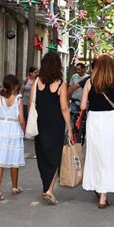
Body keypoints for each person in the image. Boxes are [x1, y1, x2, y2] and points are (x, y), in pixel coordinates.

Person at [80, 54, 114, 208]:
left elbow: (82, 107)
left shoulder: (89, 82)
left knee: (96, 154)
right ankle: (103, 195)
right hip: (111, 121)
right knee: (109, 155)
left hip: (94, 120)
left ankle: (99, 187)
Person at [31, 52, 73, 205]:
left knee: (42, 155)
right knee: (54, 157)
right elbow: (64, 108)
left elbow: (31, 104)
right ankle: (49, 190)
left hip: (40, 123)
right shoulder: (61, 83)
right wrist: (70, 127)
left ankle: (46, 187)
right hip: (56, 124)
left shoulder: (37, 81)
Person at [68, 62, 90, 143]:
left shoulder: (88, 78)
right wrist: (68, 99)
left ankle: (78, 138)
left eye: (79, 69)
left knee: (81, 121)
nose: (77, 71)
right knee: (73, 121)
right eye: (76, 69)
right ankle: (72, 136)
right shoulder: (74, 76)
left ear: (83, 69)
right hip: (74, 102)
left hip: (83, 103)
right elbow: (70, 87)